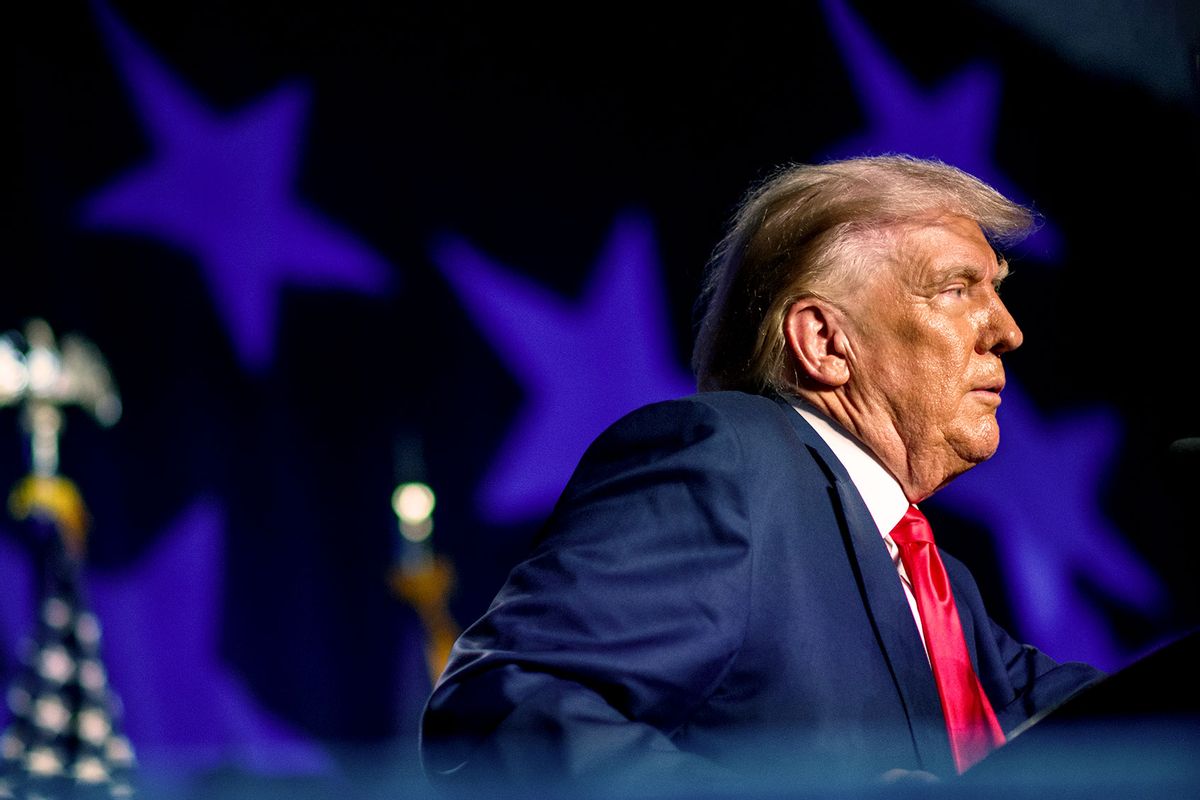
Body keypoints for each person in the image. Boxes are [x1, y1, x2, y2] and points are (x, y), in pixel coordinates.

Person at [420, 156, 1103, 796]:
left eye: (997, 291)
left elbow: (1113, 721)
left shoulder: (941, 587)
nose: (1007, 330)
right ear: (827, 343)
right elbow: (504, 713)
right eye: (957, 289)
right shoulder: (726, 462)